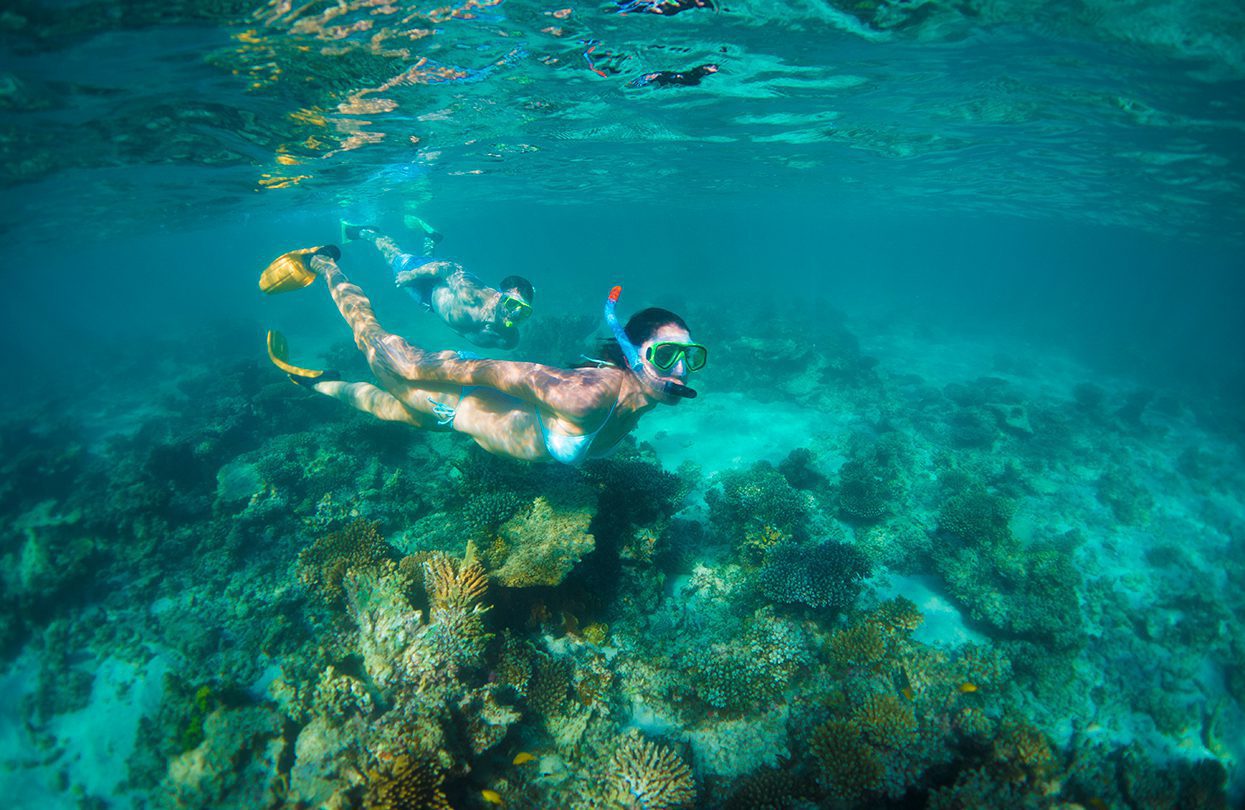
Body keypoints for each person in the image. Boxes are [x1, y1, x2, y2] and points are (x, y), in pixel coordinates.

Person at [260, 248, 707, 464]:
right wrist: (413, 365)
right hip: (439, 391)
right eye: (667, 355)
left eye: (691, 357)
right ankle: (323, 263)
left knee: (383, 409)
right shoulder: (587, 397)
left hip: (449, 415)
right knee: (369, 336)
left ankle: (316, 380)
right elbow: (497, 370)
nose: (681, 370)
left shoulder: (639, 400)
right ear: (632, 354)